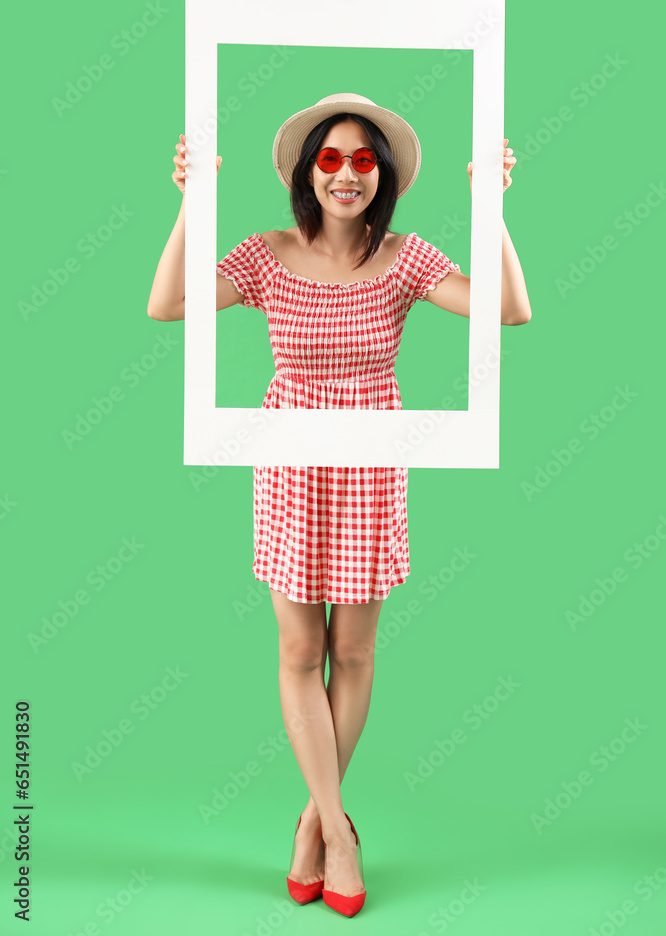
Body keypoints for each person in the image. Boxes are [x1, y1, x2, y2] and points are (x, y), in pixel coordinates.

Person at [147, 92, 530, 917]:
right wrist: (191, 205)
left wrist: (491, 211)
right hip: (288, 455)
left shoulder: (404, 257)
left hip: (371, 456)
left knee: (351, 652)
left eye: (363, 160)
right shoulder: (265, 252)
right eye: (330, 159)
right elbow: (168, 304)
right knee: (297, 650)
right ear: (305, 172)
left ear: (381, 176)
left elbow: (506, 309)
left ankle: (312, 826)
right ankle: (337, 829)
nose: (347, 174)